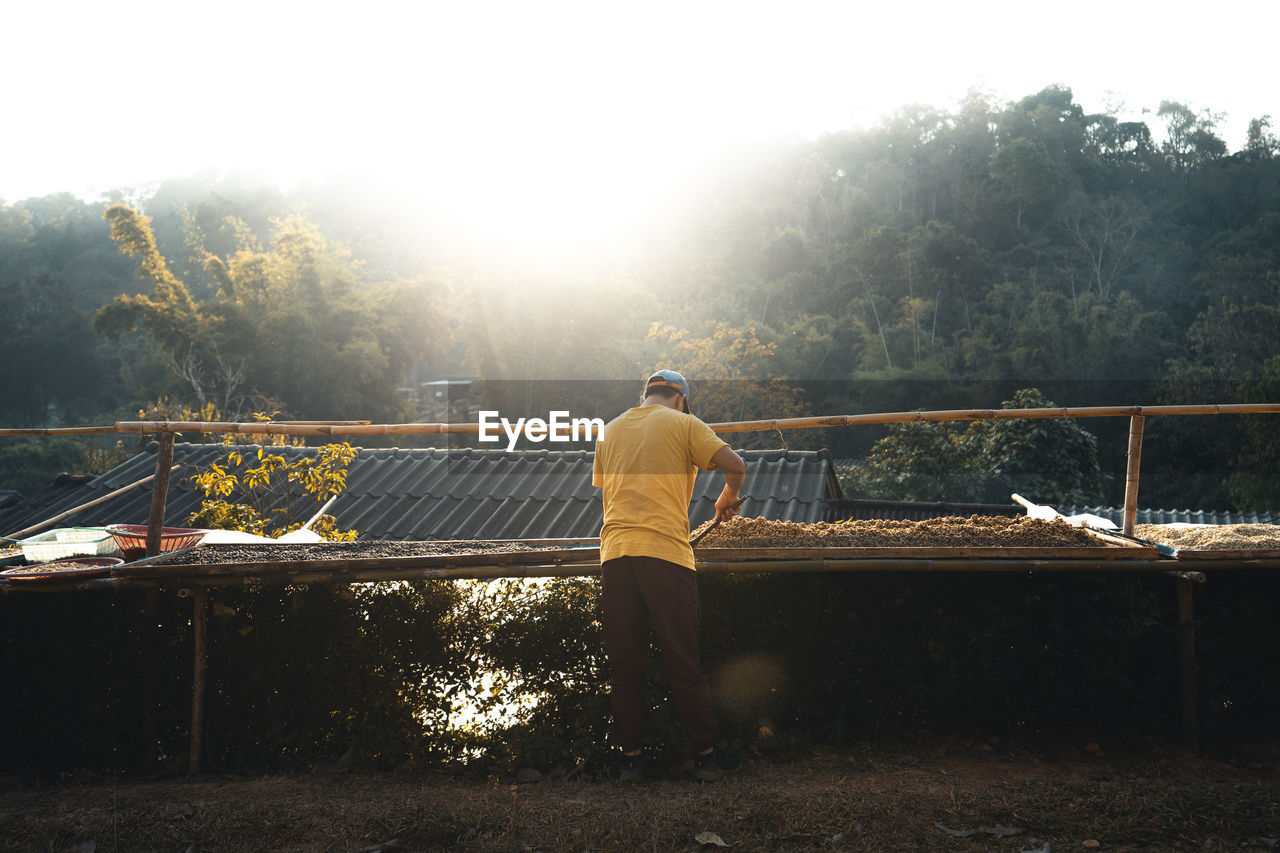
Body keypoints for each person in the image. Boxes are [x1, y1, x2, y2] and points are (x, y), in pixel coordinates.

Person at [592, 369, 747, 782]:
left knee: (625, 666)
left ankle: (631, 762)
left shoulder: (608, 430)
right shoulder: (684, 424)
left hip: (615, 555)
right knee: (683, 661)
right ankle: (706, 758)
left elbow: (609, 492)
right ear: (681, 400)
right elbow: (735, 465)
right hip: (665, 554)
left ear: (645, 395)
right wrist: (726, 498)